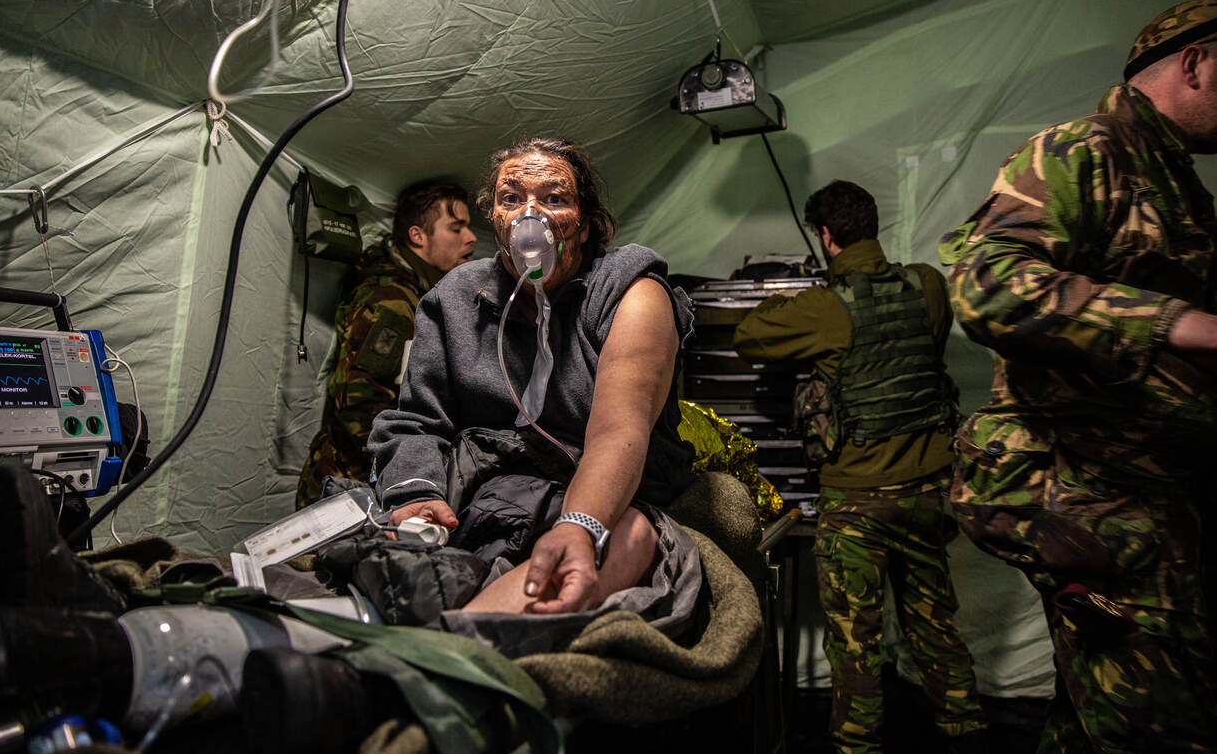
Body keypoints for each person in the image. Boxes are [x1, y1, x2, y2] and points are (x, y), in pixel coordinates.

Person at [939, 0, 1217, 753]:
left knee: (1096, 715)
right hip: (1092, 503)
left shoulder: (1176, 183)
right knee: (1162, 728)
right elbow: (987, 283)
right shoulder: (1084, 152)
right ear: (1194, 63)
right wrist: (1174, 322)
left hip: (1150, 503)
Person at [367, 137, 702, 651]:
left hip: (606, 501)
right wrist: (417, 495)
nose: (531, 215)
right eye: (511, 199)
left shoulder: (630, 289)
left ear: (584, 224)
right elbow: (417, 422)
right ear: (495, 221)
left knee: (630, 536)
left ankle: (447, 655)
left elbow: (619, 431)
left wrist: (579, 526)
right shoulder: (454, 300)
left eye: (554, 198)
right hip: (485, 495)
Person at [734, 180, 987, 754]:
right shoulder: (928, 285)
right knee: (935, 627)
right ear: (872, 226)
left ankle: (857, 744)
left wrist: (793, 299)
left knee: (855, 639)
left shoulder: (825, 308)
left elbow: (750, 337)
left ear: (826, 237)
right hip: (928, 492)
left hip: (856, 502)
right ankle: (967, 732)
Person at [295, 180, 477, 508]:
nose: (471, 237)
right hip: (350, 483)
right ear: (417, 236)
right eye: (456, 228)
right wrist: (404, 470)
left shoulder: (422, 295)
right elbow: (359, 404)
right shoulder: (391, 301)